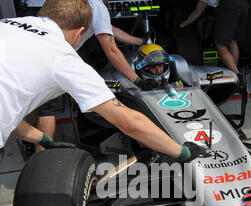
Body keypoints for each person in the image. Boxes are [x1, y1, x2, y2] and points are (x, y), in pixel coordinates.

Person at [0, 0, 208, 165]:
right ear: (80, 32)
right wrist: (182, 152)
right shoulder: (62, 57)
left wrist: (43, 140)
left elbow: (9, 111)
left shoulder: (7, 24)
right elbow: (129, 122)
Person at [20, 0, 153, 152]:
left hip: (32, 53)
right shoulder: (97, 6)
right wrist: (137, 80)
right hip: (52, 57)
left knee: (34, 102)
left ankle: (28, 143)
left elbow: (109, 29)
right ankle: (40, 160)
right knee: (49, 112)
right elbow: (111, 50)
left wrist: (139, 41)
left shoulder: (83, 4)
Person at [214, 0, 248, 77]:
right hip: (243, 5)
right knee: (233, 41)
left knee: (221, 45)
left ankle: (237, 75)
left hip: (229, 6)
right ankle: (233, 73)